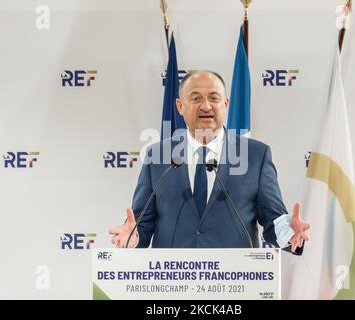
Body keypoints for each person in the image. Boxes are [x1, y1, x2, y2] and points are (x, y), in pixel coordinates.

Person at [109, 70, 310, 251]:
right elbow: (142, 225)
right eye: (195, 98)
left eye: (214, 98)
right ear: (180, 106)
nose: (206, 106)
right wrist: (132, 237)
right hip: (173, 285)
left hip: (235, 283)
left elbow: (272, 219)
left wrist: (289, 232)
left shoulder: (255, 155)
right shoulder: (157, 155)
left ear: (226, 104)